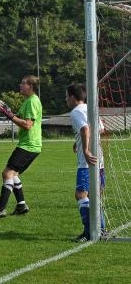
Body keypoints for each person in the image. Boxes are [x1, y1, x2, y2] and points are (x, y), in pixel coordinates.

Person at [0, 75, 42, 219]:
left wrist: (10, 116)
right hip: (30, 145)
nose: (20, 85)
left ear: (30, 86)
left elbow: (27, 125)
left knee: (7, 173)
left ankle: (0, 210)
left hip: (28, 145)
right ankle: (21, 206)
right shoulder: (28, 101)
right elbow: (22, 120)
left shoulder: (31, 102)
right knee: (14, 174)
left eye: (23, 83)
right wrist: (9, 113)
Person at [66, 83, 106, 242]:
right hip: (100, 160)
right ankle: (101, 229)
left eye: (66, 96)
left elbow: (84, 129)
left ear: (72, 97)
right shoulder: (91, 108)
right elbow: (100, 129)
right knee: (94, 196)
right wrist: (79, 142)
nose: (66, 100)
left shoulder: (75, 111)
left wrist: (86, 150)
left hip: (87, 162)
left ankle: (89, 233)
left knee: (81, 195)